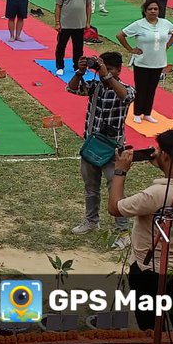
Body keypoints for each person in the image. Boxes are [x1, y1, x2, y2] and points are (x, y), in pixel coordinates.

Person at [107, 128, 173, 330]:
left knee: (150, 329)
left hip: (150, 271)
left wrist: (120, 170)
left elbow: (115, 207)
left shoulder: (156, 194)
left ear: (165, 155)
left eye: (159, 150)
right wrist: (163, 163)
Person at [67, 51, 133, 244]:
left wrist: (107, 76)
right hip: (91, 145)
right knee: (91, 188)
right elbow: (71, 89)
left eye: (111, 69)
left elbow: (127, 97)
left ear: (119, 70)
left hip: (114, 150)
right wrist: (80, 72)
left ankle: (123, 231)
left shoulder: (126, 88)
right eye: (103, 67)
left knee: (116, 190)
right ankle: (91, 221)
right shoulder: (96, 87)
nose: (105, 72)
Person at [118, 0, 173, 123]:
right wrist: (131, 49)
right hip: (142, 62)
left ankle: (147, 113)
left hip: (159, 62)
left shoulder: (165, 23)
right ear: (145, 11)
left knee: (152, 89)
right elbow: (120, 35)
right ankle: (137, 113)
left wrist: (167, 45)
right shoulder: (138, 24)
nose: (153, 11)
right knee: (141, 88)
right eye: (150, 9)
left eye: (155, 9)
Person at [53, 0, 92, 76]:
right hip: (65, 24)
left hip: (80, 24)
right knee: (61, 46)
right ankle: (60, 66)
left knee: (78, 48)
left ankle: (77, 66)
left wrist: (88, 21)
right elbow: (58, 6)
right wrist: (57, 22)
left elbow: (88, 6)